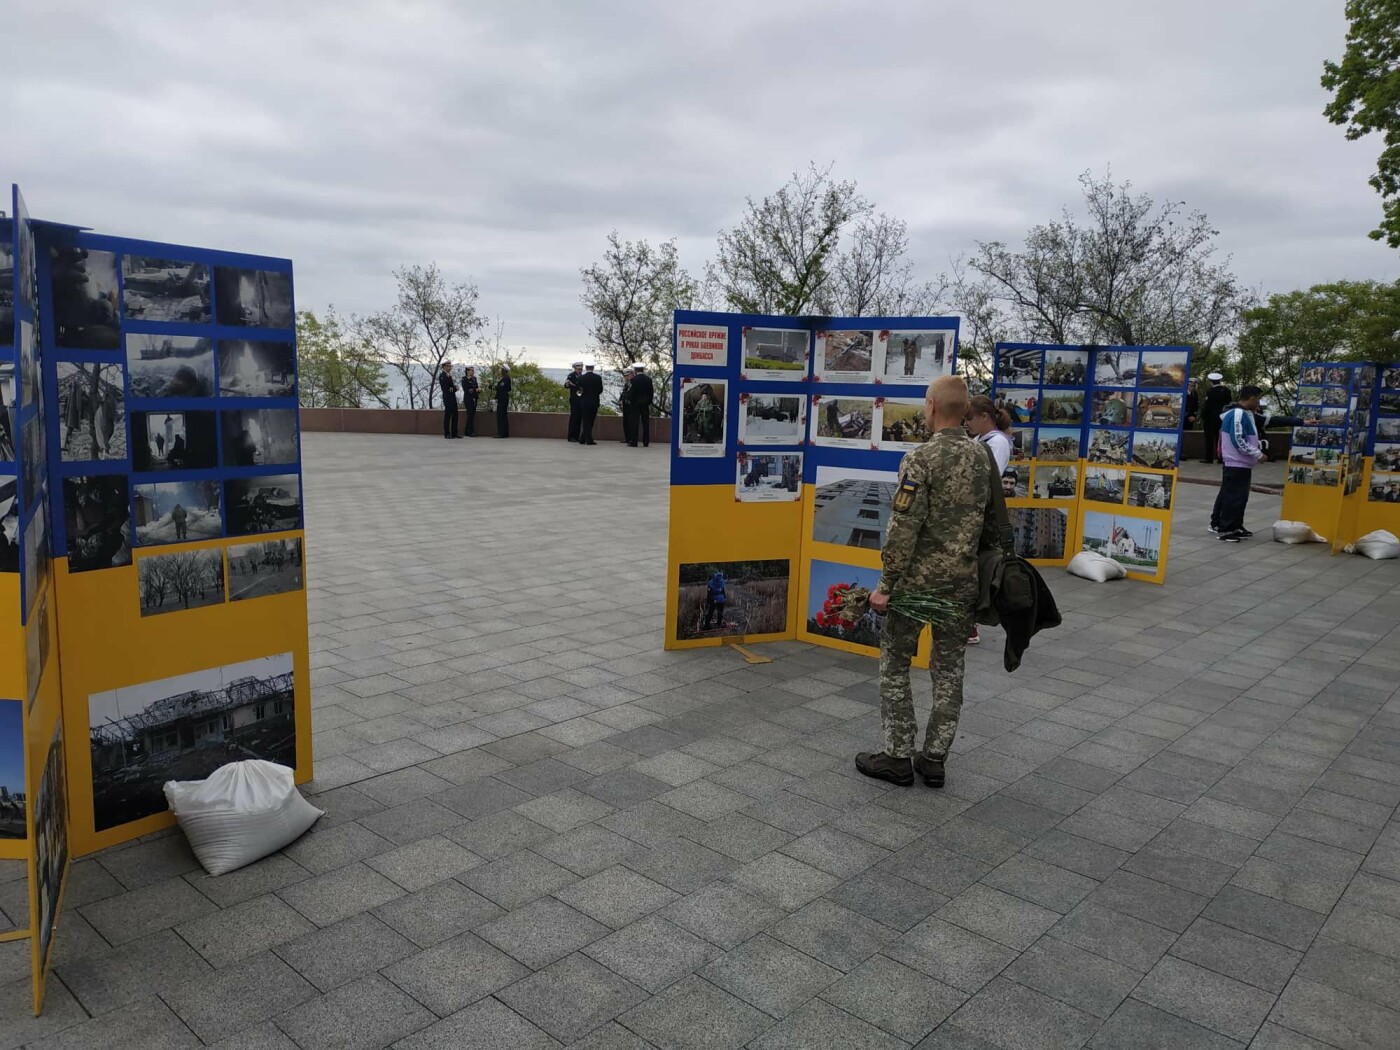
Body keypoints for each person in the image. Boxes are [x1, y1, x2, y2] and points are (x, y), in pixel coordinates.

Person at [856, 375, 996, 789]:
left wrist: (885, 585)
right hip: (963, 583)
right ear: (966, 410)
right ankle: (934, 759)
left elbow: (903, 527)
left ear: (932, 406)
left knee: (895, 663)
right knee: (949, 669)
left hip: (916, 586)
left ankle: (898, 755)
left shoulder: (921, 458)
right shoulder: (982, 457)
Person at [1211, 385, 1266, 541]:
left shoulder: (1245, 413)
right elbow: (1238, 439)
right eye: (1258, 399)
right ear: (1252, 398)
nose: (1258, 403)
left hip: (1243, 463)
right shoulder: (1237, 413)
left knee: (1240, 498)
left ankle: (1235, 526)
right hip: (1236, 463)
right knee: (1233, 498)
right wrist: (1258, 454)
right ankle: (1226, 529)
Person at [1201, 372, 1232, 464]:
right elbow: (1229, 404)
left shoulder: (1210, 391)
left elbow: (1207, 405)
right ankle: (1220, 457)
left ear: (1211, 382)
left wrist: (1203, 416)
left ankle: (1209, 458)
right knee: (1221, 438)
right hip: (1223, 418)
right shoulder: (1226, 391)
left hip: (1210, 419)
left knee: (1209, 439)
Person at [577, 363, 604, 445]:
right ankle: (588, 439)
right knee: (591, 420)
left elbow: (579, 390)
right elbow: (600, 390)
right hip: (594, 402)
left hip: (584, 402)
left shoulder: (581, 378)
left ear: (586, 368)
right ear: (593, 368)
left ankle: (583, 438)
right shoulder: (598, 377)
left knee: (585, 420)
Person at [630, 363, 654, 446]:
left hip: (636, 404)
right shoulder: (648, 379)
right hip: (645, 404)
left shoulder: (634, 379)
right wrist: (649, 401)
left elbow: (632, 392)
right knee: (646, 423)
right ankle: (646, 442)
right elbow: (651, 392)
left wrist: (631, 401)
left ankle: (634, 442)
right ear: (643, 370)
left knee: (635, 423)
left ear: (635, 370)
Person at [438, 362, 459, 439]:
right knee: (448, 416)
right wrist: (454, 388)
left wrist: (454, 388)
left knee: (455, 415)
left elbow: (451, 387)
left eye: (450, 366)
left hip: (452, 398)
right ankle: (447, 433)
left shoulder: (449, 375)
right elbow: (447, 388)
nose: (450, 368)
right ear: (444, 367)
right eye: (448, 366)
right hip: (447, 398)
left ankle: (454, 433)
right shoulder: (442, 376)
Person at [565, 361, 584, 442]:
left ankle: (577, 436)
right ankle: (571, 436)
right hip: (574, 399)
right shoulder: (571, 376)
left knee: (579, 419)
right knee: (574, 418)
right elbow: (566, 385)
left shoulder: (582, 377)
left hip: (580, 400)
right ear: (575, 369)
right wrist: (570, 384)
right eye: (578, 369)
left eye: (581, 369)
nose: (580, 371)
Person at [461, 366, 479, 436]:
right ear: (467, 371)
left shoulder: (474, 378)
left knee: (472, 415)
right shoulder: (464, 379)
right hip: (468, 399)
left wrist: (478, 390)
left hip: (474, 398)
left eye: (473, 370)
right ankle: (470, 431)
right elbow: (466, 389)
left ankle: (467, 430)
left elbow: (476, 387)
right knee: (470, 414)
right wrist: (475, 390)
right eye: (471, 370)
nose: (472, 372)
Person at [494, 365, 512, 438]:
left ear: (503, 370)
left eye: (500, 369)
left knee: (501, 416)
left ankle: (501, 433)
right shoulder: (503, 378)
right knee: (503, 416)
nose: (499, 370)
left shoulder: (506, 378)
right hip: (502, 398)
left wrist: (491, 386)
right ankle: (504, 432)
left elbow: (501, 388)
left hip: (503, 399)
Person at [621, 366, 636, 445]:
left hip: (631, 405)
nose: (626, 377)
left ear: (632, 374)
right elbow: (624, 393)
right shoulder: (627, 383)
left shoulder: (634, 383)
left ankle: (631, 438)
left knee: (630, 422)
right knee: (625, 421)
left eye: (627, 375)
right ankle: (627, 438)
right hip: (625, 404)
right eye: (625, 376)